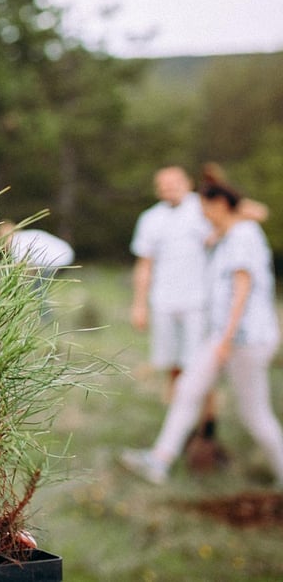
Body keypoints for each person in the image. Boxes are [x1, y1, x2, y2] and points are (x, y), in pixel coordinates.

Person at [120, 172, 283, 488]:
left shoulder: (244, 235)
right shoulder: (225, 235)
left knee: (255, 414)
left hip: (245, 340)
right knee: (188, 388)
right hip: (223, 336)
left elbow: (242, 288)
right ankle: (160, 460)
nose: (204, 217)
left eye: (207, 210)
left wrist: (225, 339)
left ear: (220, 204)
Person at [128, 166, 224, 457]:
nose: (170, 188)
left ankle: (207, 426)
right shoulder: (150, 218)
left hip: (198, 302)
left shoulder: (203, 208)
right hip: (164, 302)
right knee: (173, 364)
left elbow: (230, 225)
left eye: (175, 183)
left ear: (188, 184)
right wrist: (139, 303)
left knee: (199, 366)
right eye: (164, 185)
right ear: (158, 189)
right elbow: (144, 264)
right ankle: (179, 427)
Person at [0, 220, 75, 317]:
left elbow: (21, 267)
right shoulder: (26, 236)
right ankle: (45, 314)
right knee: (39, 287)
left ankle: (45, 316)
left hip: (55, 260)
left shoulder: (17, 242)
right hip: (63, 254)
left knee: (38, 288)